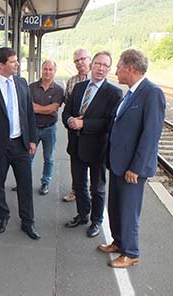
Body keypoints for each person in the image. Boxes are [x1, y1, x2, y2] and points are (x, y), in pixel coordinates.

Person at [98, 49, 165, 268]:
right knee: (116, 207)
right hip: (118, 163)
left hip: (131, 168)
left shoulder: (152, 93)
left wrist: (136, 167)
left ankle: (131, 252)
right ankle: (118, 242)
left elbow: (151, 135)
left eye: (118, 66)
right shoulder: (130, 92)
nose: (115, 70)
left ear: (130, 68)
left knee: (128, 210)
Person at [0, 47, 40, 240]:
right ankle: (2, 216)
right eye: (13, 61)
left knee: (25, 185)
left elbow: (29, 113)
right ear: (1, 65)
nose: (17, 64)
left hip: (20, 144)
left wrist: (32, 139)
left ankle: (27, 222)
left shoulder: (21, 84)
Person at [62, 51, 122, 238]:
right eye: (98, 64)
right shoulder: (79, 88)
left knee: (97, 188)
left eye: (105, 65)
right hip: (76, 146)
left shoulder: (114, 93)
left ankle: (96, 221)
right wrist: (70, 120)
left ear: (109, 69)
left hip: (98, 149)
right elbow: (66, 113)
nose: (101, 68)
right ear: (91, 65)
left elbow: (109, 122)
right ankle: (82, 215)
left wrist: (84, 124)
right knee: (79, 185)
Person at [29, 60, 64, 196]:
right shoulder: (31, 87)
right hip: (33, 128)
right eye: (45, 69)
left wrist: (37, 108)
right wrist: (46, 109)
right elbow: (29, 107)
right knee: (29, 157)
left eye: (50, 69)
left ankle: (45, 182)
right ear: (41, 69)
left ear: (54, 71)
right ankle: (25, 181)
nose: (47, 72)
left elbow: (54, 108)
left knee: (48, 158)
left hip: (50, 129)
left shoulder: (59, 90)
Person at [62, 48, 92, 202]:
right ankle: (76, 191)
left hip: (93, 132)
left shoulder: (98, 79)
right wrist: (71, 120)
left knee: (94, 166)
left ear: (90, 60)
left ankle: (94, 195)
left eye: (82, 59)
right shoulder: (72, 81)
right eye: (76, 61)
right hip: (74, 130)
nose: (80, 63)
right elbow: (67, 103)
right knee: (76, 162)